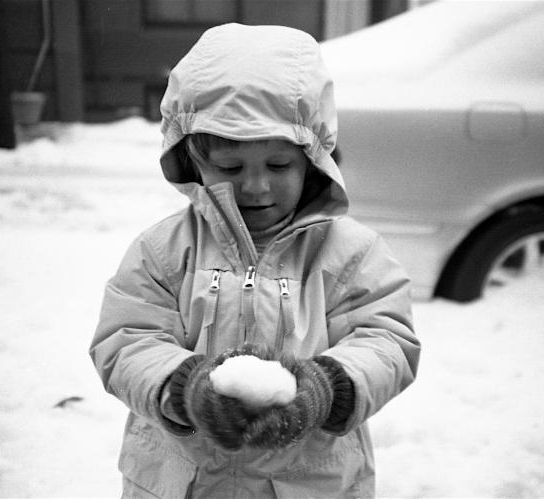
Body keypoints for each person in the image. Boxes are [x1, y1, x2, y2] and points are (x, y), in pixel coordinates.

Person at [90, 23, 420, 499]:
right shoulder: (163, 251)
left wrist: (326, 387)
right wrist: (184, 388)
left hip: (309, 484)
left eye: (279, 165)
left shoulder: (352, 253)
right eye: (229, 167)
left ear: (314, 158)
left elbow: (387, 339)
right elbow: (126, 341)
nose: (256, 186)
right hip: (186, 483)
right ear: (192, 159)